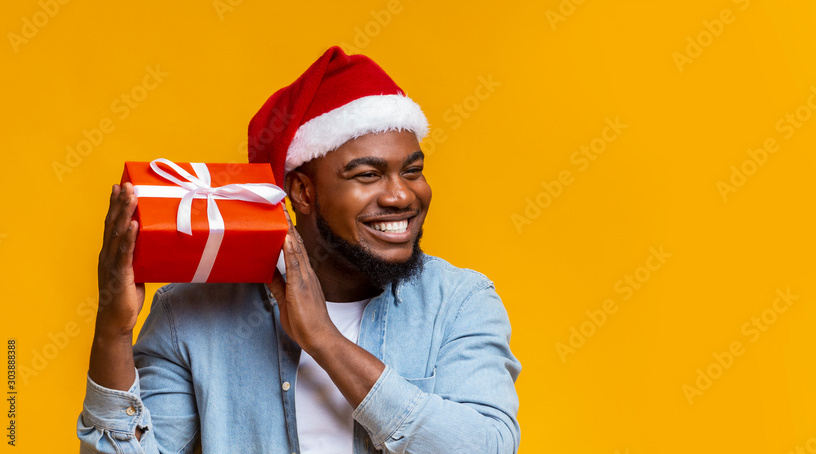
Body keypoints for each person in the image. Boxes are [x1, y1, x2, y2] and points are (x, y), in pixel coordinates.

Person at [78, 46, 521, 454]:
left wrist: (325, 341)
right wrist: (113, 334)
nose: (402, 196)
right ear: (303, 192)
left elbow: (488, 447)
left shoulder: (460, 302)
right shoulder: (192, 314)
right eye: (368, 175)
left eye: (413, 171)